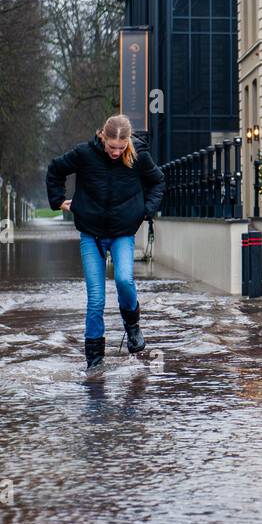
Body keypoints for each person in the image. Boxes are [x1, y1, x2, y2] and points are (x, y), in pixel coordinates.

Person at [46, 114, 165, 370]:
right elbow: (56, 169)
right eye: (112, 147)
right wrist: (58, 200)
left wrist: (146, 210)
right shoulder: (84, 154)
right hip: (91, 234)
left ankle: (132, 325)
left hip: (123, 231)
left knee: (124, 279)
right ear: (103, 137)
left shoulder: (138, 156)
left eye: (121, 148)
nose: (116, 152)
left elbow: (158, 181)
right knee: (96, 300)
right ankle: (95, 360)